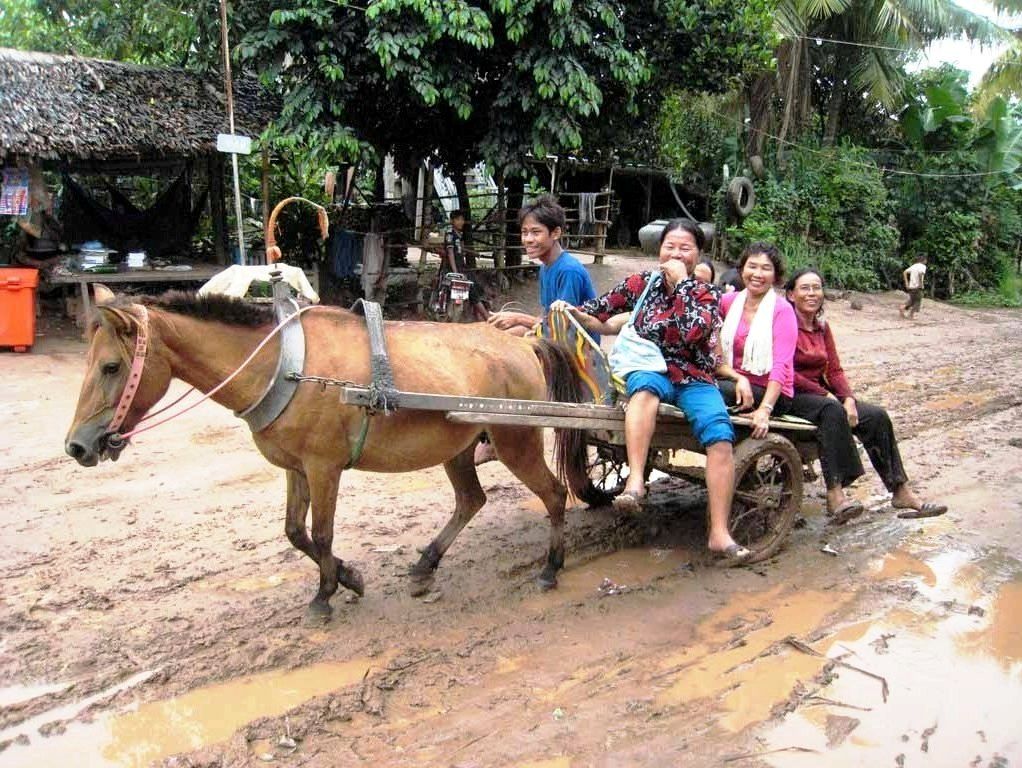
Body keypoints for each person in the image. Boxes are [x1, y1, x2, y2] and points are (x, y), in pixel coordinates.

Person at [553, 219, 749, 563]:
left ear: (697, 254)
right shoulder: (643, 283)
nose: (675, 253)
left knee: (720, 436)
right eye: (669, 246)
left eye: (685, 248)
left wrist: (684, 284)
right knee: (642, 390)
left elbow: (695, 332)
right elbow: (601, 308)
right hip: (652, 368)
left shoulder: (707, 294)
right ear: (659, 250)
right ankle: (635, 484)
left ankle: (719, 533)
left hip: (693, 375)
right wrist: (571, 311)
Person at [785, 268, 947, 523]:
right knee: (833, 411)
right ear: (791, 294)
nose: (812, 293)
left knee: (876, 416)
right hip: (789, 392)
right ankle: (835, 495)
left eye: (816, 288)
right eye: (804, 288)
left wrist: (847, 396)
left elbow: (834, 369)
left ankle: (900, 491)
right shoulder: (784, 324)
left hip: (821, 395)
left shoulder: (821, 328)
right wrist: (827, 395)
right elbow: (784, 370)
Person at [715, 243, 798, 440]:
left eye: (766, 268)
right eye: (752, 266)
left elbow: (782, 364)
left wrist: (765, 409)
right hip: (734, 381)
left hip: (772, 393)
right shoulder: (727, 302)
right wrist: (738, 378)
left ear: (775, 276)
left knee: (710, 391)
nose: (757, 274)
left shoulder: (782, 310)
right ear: (742, 269)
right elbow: (713, 352)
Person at [487, 195, 597, 337]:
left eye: (536, 232)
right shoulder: (545, 267)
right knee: (504, 336)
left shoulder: (569, 270)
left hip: (577, 347)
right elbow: (546, 316)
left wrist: (518, 318)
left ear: (556, 233)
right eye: (524, 232)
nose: (528, 239)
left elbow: (562, 325)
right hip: (556, 334)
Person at [442, 209, 489, 322]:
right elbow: (450, 254)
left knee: (477, 287)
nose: (461, 222)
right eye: (458, 219)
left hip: (462, 267)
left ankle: (480, 316)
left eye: (462, 219)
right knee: (471, 290)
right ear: (452, 221)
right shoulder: (450, 235)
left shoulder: (458, 235)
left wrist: (473, 253)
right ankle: (487, 318)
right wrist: (455, 273)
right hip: (456, 269)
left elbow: (460, 249)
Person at [900, 254, 927, 319]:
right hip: (917, 286)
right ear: (923, 260)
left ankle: (903, 308)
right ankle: (910, 314)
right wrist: (921, 284)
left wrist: (907, 283)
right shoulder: (923, 266)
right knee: (917, 301)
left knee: (912, 300)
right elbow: (920, 274)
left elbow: (905, 272)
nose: (926, 261)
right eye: (926, 260)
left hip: (911, 286)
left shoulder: (914, 266)